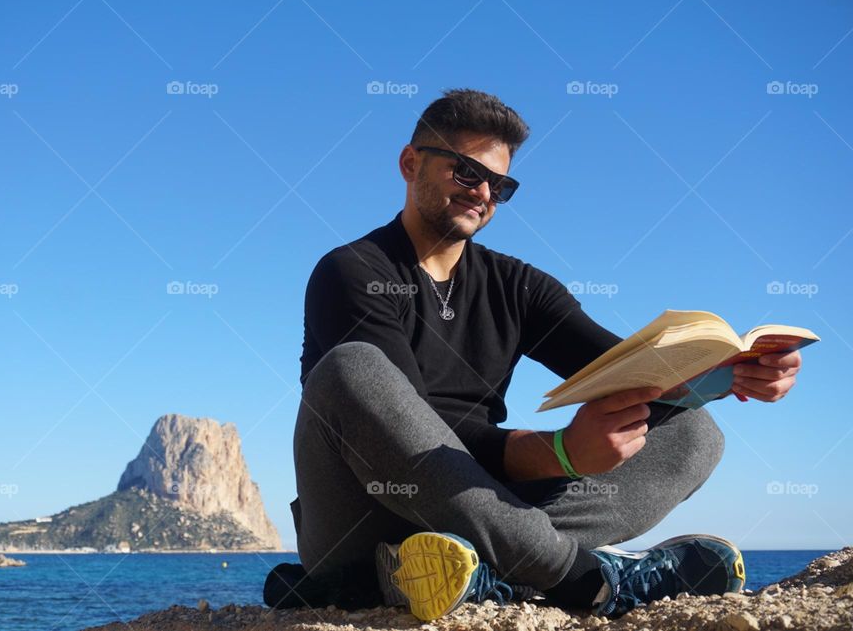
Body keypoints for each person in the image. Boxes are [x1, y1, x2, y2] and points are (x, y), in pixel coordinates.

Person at [288, 88, 803, 620]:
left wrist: (732, 370)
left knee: (694, 434)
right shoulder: (352, 271)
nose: (482, 192)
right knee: (352, 369)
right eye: (466, 172)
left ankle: (478, 572)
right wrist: (559, 453)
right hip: (363, 515)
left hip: (484, 512)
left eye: (500, 184)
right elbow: (405, 429)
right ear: (410, 162)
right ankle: (583, 577)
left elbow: (625, 370)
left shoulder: (521, 287)